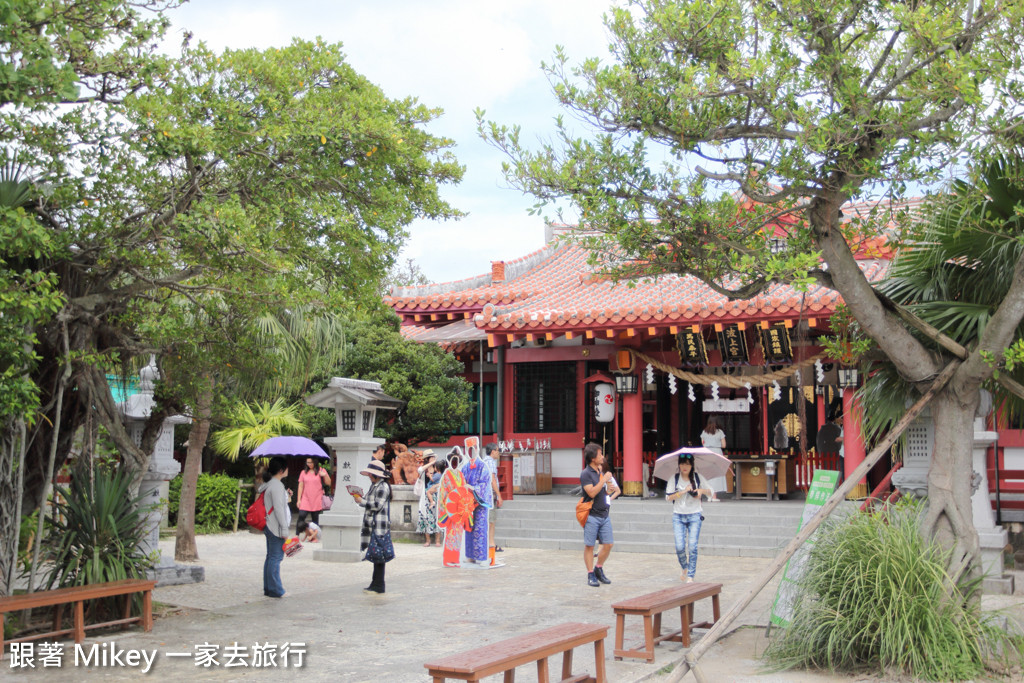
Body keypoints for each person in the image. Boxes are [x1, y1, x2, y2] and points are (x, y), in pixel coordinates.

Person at [666, 452, 714, 583]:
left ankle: (691, 575)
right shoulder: (674, 479)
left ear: (692, 465)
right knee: (680, 547)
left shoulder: (698, 477)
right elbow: (668, 497)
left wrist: (701, 491)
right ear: (679, 465)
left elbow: (711, 491)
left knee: (692, 546)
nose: (684, 467)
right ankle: (685, 567)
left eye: (687, 464)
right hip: (678, 515)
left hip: (695, 515)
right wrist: (683, 491)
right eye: (682, 464)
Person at [351, 460, 394, 594]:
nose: (369, 476)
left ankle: (379, 585)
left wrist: (362, 501)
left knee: (379, 556)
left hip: (379, 526)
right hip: (374, 525)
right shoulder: (375, 486)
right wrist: (361, 499)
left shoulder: (383, 487)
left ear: (376, 475)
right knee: (377, 556)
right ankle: (375, 583)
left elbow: (377, 505)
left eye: (371, 474)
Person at [581, 442, 618, 587]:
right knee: (590, 546)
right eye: (600, 454)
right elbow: (591, 492)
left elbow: (603, 493)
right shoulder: (586, 474)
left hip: (604, 514)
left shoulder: (599, 472)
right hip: (591, 515)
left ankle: (598, 568)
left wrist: (609, 489)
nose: (602, 456)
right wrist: (603, 480)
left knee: (608, 544)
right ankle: (590, 573)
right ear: (592, 458)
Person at [258, 456, 292, 598]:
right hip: (275, 527)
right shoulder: (277, 486)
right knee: (276, 558)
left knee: (271, 557)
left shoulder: (269, 484)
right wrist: (284, 529)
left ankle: (269, 588)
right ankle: (276, 589)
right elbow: (279, 509)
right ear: (281, 470)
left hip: (269, 525)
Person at [460, 443, 493, 565]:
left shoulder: (482, 466)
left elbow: (485, 483)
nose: (471, 453)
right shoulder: (465, 467)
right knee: (469, 528)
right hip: (468, 502)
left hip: (480, 503)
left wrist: (473, 488)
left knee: (480, 529)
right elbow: (460, 481)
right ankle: (470, 555)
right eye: (469, 450)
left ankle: (481, 556)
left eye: (473, 450)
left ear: (477, 450)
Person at [297, 456, 331, 526]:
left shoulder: (321, 470)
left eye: (310, 462)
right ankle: (297, 534)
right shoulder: (303, 472)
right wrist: (299, 500)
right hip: (305, 498)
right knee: (301, 515)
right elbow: (300, 486)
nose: (309, 464)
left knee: (315, 519)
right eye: (307, 462)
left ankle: (315, 535)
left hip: (317, 498)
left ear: (315, 462)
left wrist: (324, 475)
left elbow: (328, 483)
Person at [415, 450, 440, 546]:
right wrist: (431, 463)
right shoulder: (423, 469)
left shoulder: (437, 468)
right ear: (427, 459)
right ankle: (428, 540)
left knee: (437, 516)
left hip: (436, 494)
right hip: (425, 496)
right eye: (431, 457)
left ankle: (437, 540)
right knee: (426, 517)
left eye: (433, 457)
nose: (433, 458)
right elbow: (419, 470)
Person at [484, 442, 503, 557]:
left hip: (484, 494)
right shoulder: (490, 462)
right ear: (492, 451)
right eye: (497, 450)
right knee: (491, 521)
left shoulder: (483, 461)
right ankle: (490, 544)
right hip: (490, 494)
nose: (498, 453)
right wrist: (499, 495)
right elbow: (493, 480)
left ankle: (491, 543)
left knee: (490, 520)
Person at [700, 417, 728, 495]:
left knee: (707, 472)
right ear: (717, 422)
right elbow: (724, 445)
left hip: (707, 453)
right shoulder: (720, 432)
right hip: (717, 453)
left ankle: (709, 494)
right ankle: (714, 496)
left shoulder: (704, 432)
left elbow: (703, 443)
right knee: (716, 473)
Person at [816, 412, 844, 480]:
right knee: (835, 468)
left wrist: (820, 452)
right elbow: (839, 441)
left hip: (824, 451)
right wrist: (838, 448)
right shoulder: (837, 429)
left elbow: (819, 441)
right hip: (835, 451)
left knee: (826, 468)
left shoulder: (822, 429)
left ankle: (827, 482)